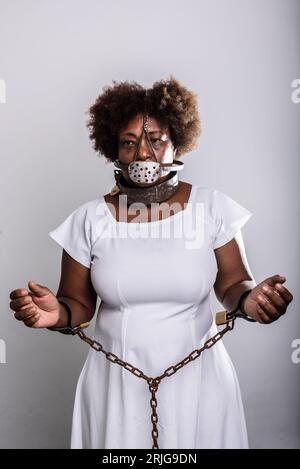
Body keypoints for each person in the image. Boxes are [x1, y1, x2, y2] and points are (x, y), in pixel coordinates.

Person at [9, 77, 293, 449]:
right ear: (114, 150)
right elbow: (77, 306)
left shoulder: (212, 207)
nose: (143, 153)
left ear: (177, 141)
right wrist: (55, 315)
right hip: (116, 385)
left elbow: (232, 284)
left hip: (201, 383)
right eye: (129, 142)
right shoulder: (88, 219)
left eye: (155, 139)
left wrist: (251, 300)